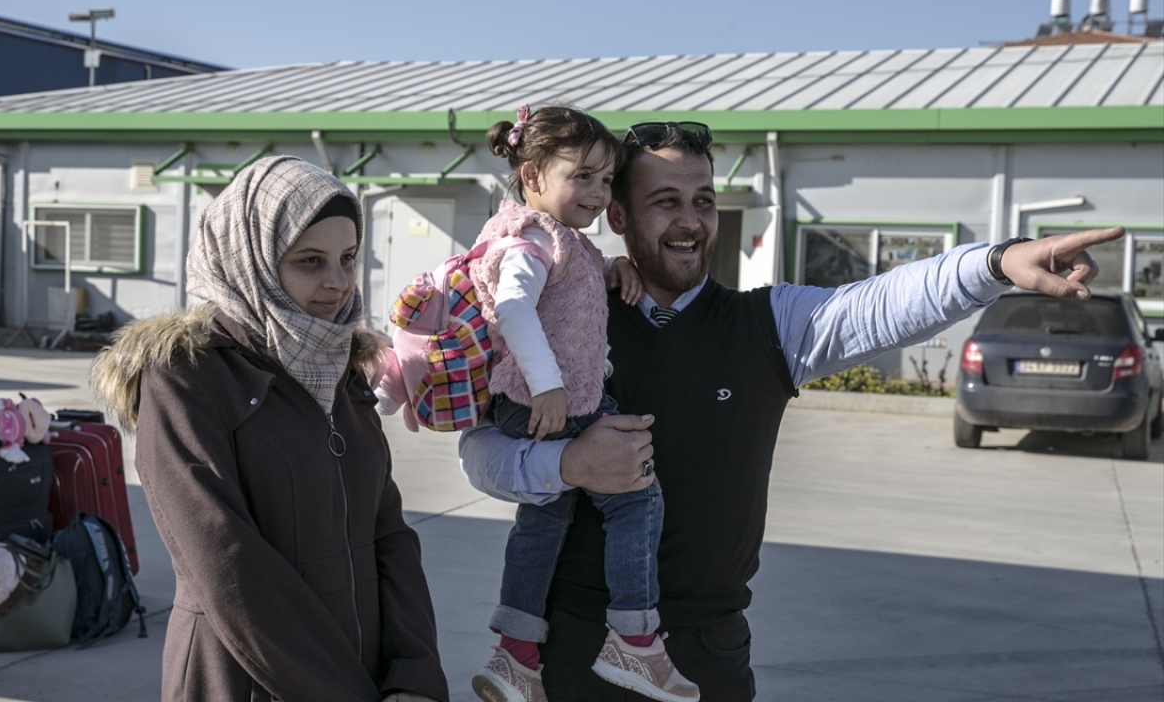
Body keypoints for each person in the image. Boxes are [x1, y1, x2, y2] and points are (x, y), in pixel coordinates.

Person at [459, 121, 1124, 701]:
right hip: (572, 651)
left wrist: (998, 263)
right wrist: (569, 463)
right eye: (665, 203)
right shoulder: (560, 314)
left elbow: (881, 304)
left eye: (703, 202)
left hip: (707, 654)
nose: (691, 222)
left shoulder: (765, 324)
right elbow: (479, 457)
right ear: (619, 216)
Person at [91, 157, 449, 702]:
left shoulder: (342, 368)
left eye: (348, 258)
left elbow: (389, 535)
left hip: (374, 678)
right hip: (248, 680)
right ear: (249, 259)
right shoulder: (187, 377)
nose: (336, 282)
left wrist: (414, 674)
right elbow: (226, 564)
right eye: (310, 261)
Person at [442, 105, 697, 702]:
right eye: (581, 176)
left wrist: (612, 269)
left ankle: (517, 656)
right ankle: (634, 641)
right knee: (636, 492)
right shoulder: (530, 239)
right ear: (532, 175)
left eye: (606, 179)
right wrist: (549, 384)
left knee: (543, 520)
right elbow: (513, 307)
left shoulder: (566, 243)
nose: (596, 192)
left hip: (542, 399)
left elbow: (566, 290)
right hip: (551, 400)